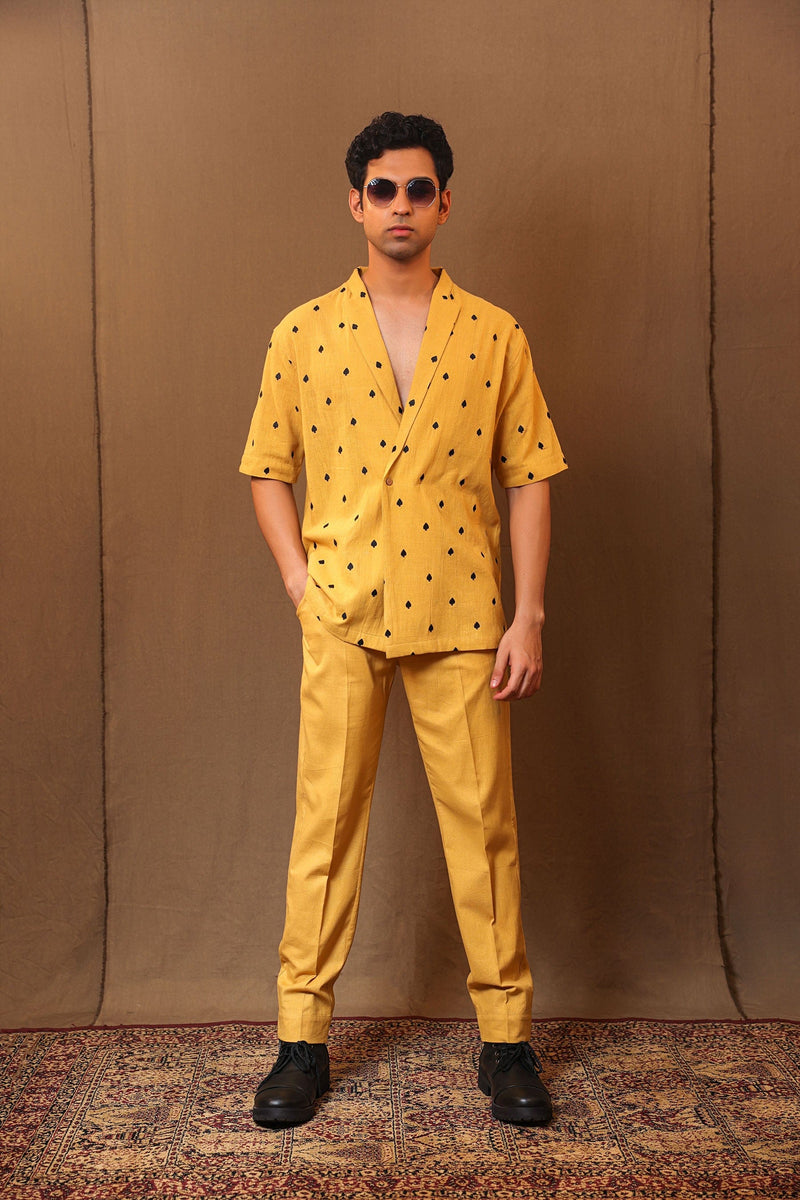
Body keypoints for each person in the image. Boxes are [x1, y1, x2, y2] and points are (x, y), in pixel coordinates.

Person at [240, 111, 567, 1128]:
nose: (399, 206)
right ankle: (301, 1042)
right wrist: (299, 584)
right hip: (341, 614)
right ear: (355, 202)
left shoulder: (495, 335)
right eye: (381, 189)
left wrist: (528, 617)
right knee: (324, 826)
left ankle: (505, 1042)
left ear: (444, 203)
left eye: (418, 189)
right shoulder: (302, 332)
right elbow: (265, 466)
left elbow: (530, 475)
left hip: (464, 617)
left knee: (484, 831)